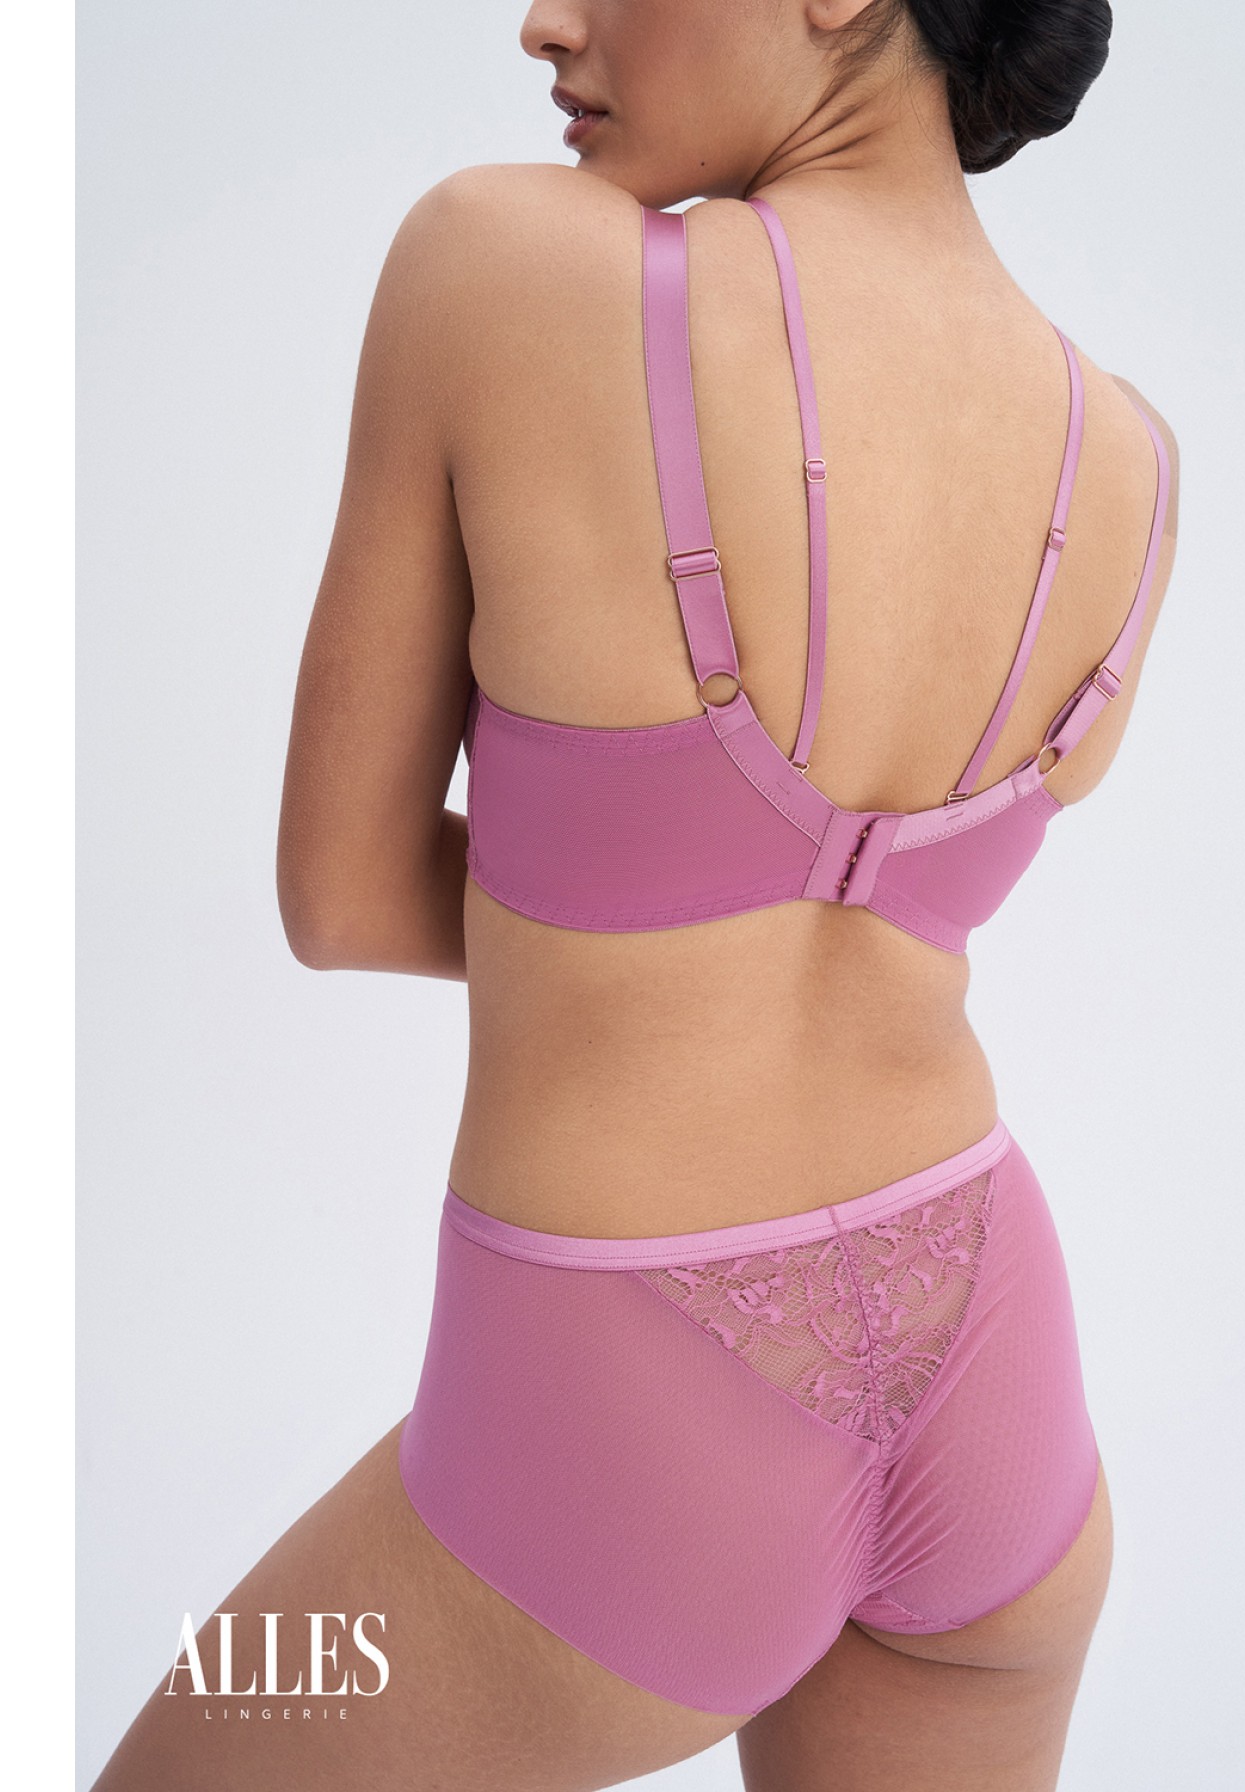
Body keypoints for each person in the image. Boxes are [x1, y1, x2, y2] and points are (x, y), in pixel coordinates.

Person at [93, 1, 1179, 1788]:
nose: (547, 22)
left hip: (625, 1410)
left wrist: (629, 934)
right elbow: (864, 924)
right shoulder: (1128, 457)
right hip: (995, 1365)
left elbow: (342, 892)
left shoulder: (502, 262)